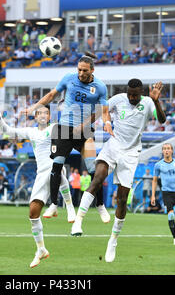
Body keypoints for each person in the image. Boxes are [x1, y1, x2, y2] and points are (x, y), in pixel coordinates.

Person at [70, 79, 166, 265]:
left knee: (122, 199)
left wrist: (156, 101)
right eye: (130, 93)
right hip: (113, 146)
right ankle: (78, 220)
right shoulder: (118, 99)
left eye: (135, 95)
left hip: (131, 154)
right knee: (97, 178)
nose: (131, 97)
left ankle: (113, 240)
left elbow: (162, 119)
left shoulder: (147, 102)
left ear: (141, 93)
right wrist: (84, 125)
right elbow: (100, 111)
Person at [22, 52, 110, 223]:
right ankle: (54, 204)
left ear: (92, 70)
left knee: (94, 169)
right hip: (63, 128)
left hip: (85, 131)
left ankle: (100, 205)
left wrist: (105, 123)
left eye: (85, 70)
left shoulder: (100, 87)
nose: (81, 73)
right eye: (79, 70)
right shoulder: (69, 78)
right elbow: (51, 95)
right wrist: (34, 107)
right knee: (56, 166)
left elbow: (102, 111)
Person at [0, 105, 76, 268]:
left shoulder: (54, 128)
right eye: (39, 113)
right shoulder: (31, 131)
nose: (43, 115)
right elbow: (9, 132)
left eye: (46, 112)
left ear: (50, 116)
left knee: (58, 170)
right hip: (41, 174)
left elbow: (69, 131)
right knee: (33, 213)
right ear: (35, 117)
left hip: (54, 166)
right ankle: (41, 249)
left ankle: (69, 206)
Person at [151, 143, 175, 246]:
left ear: (172, 151)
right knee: (171, 214)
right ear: (162, 151)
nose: (166, 150)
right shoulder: (158, 165)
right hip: (166, 193)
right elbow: (154, 181)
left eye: (168, 149)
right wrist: (153, 195)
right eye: (164, 149)